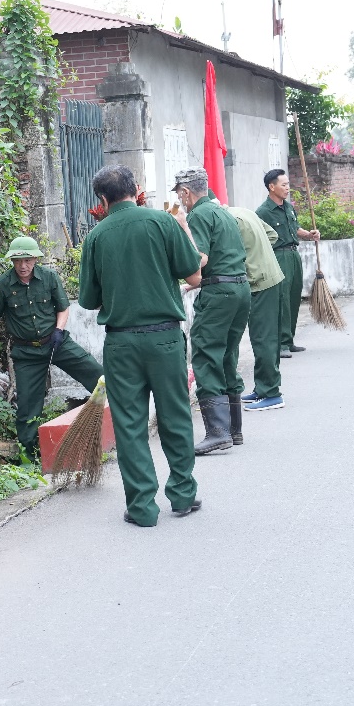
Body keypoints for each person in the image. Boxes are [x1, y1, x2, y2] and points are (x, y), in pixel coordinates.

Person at [79, 164, 204, 527]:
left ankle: (142, 508)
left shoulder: (96, 237)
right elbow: (194, 275)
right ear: (137, 188)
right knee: (175, 416)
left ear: (102, 200)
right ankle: (182, 495)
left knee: (131, 425)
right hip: (165, 337)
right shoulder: (163, 223)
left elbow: (88, 300)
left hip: (121, 343)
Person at [0, 236, 103, 460]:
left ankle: (114, 419)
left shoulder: (49, 277)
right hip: (26, 353)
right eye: (17, 260)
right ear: (12, 261)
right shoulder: (3, 285)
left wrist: (59, 330)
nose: (23, 266)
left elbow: (63, 308)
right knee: (27, 406)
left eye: (27, 260)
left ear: (35, 258)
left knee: (96, 373)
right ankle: (30, 455)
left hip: (56, 342)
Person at [170, 169, 250, 456]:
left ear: (186, 192)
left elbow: (199, 259)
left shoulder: (198, 216)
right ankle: (234, 430)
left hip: (219, 294)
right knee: (227, 355)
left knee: (205, 355)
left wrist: (182, 227)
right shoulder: (223, 213)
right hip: (239, 289)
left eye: (179, 195)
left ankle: (218, 432)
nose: (180, 201)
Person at [226, 203, 286, 418]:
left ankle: (271, 393)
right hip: (270, 276)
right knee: (266, 336)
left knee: (263, 338)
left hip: (260, 282)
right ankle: (263, 388)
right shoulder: (243, 211)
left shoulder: (228, 221)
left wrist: (250, 259)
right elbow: (272, 235)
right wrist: (257, 253)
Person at [256, 169, 319, 359]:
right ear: (271, 187)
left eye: (288, 184)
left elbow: (295, 227)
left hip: (293, 255)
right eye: (283, 185)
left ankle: (289, 340)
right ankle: (281, 343)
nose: (287, 188)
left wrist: (309, 234)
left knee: (293, 297)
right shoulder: (263, 212)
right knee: (281, 300)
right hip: (278, 257)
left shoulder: (288, 207)